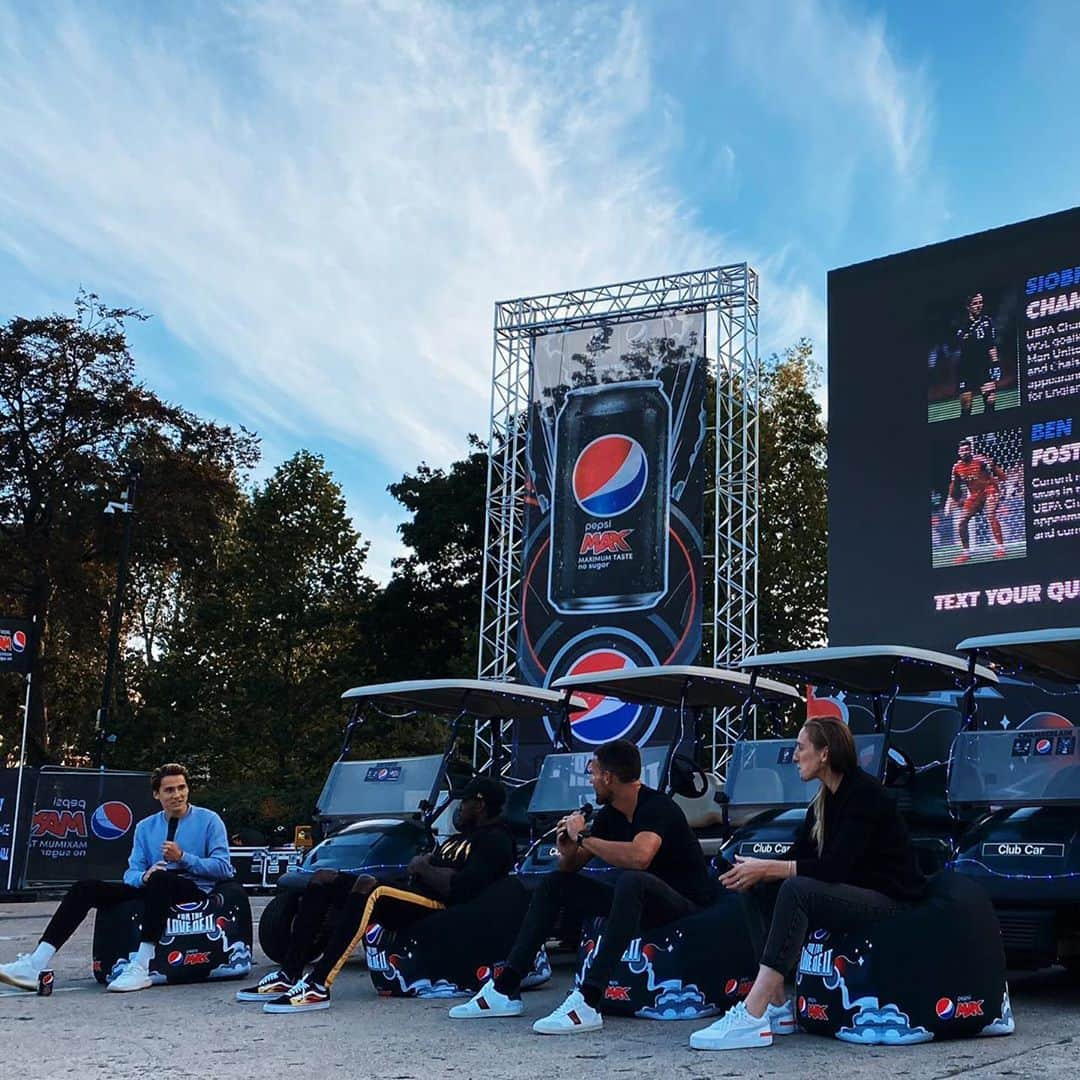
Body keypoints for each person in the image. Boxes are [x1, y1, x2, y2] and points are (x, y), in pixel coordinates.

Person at [688, 717, 927, 1051]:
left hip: (888, 901)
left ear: (825, 754)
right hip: (853, 894)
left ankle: (752, 1013)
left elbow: (834, 869)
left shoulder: (866, 796)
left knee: (794, 887)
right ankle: (776, 1006)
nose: (795, 756)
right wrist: (753, 870)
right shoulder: (824, 799)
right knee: (757, 887)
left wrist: (772, 867)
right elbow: (800, 854)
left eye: (801, 748)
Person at [449, 738, 718, 1035]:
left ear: (608, 777)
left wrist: (583, 838)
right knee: (554, 883)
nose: (590, 781)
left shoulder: (658, 807)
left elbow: (641, 857)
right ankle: (505, 989)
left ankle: (589, 1000)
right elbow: (571, 866)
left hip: (684, 902)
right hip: (638, 900)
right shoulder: (610, 815)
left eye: (593, 773)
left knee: (631, 879)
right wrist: (567, 846)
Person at [243, 776, 515, 1013]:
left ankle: (318, 984)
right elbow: (433, 870)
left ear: (480, 804)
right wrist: (423, 867)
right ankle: (289, 973)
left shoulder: (496, 839)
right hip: (418, 894)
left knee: (370, 887)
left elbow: (462, 888)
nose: (460, 809)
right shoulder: (458, 838)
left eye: (464, 802)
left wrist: (423, 866)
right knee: (323, 878)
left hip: (443, 906)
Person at [0, 762, 233, 994]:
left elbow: (224, 868)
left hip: (192, 888)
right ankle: (35, 964)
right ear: (156, 794)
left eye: (181, 788)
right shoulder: (145, 827)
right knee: (85, 888)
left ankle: (141, 966)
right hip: (152, 884)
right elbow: (130, 873)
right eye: (169, 790)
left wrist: (184, 857)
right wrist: (144, 876)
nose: (177, 795)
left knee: (161, 879)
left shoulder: (209, 820)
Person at [947, 437, 1008, 563]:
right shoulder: (956, 468)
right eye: (963, 450)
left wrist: (1003, 484)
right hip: (975, 495)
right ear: (959, 453)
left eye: (967, 449)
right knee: (961, 523)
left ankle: (1001, 548)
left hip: (990, 489)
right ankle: (966, 553)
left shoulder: (981, 461)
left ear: (971, 450)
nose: (965, 452)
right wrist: (949, 500)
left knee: (991, 515)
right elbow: (954, 486)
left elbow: (998, 473)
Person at [955, 292, 1001, 416]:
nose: (979, 306)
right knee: (966, 405)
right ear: (968, 307)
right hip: (966, 368)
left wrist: (996, 364)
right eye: (975, 303)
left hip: (983, 366)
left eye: (980, 302)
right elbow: (962, 343)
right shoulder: (961, 323)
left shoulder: (987, 322)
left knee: (990, 400)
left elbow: (991, 345)